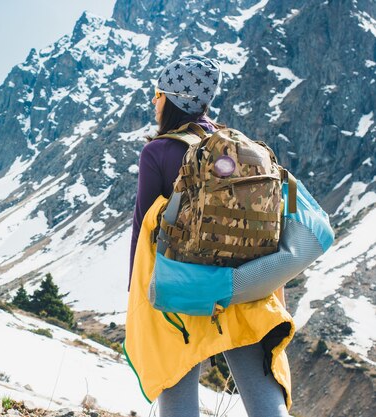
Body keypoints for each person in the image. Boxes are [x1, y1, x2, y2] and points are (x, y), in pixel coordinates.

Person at [125, 55, 293, 417]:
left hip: (182, 287)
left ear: (170, 98)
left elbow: (143, 230)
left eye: (157, 93)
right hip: (243, 283)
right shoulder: (236, 146)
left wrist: (136, 294)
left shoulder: (158, 151)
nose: (153, 101)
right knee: (264, 397)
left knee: (178, 393)